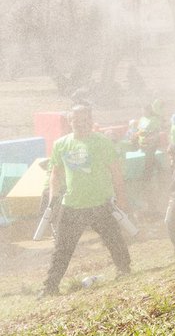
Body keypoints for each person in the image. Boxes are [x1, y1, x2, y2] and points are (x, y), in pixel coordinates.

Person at [41, 105, 131, 296]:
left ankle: (123, 270)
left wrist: (122, 198)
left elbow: (115, 171)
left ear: (90, 121)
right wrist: (52, 199)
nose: (80, 124)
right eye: (76, 120)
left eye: (84, 120)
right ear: (70, 122)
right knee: (62, 249)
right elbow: (55, 175)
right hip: (72, 205)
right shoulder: (61, 144)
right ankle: (50, 287)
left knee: (114, 239)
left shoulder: (102, 142)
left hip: (101, 203)